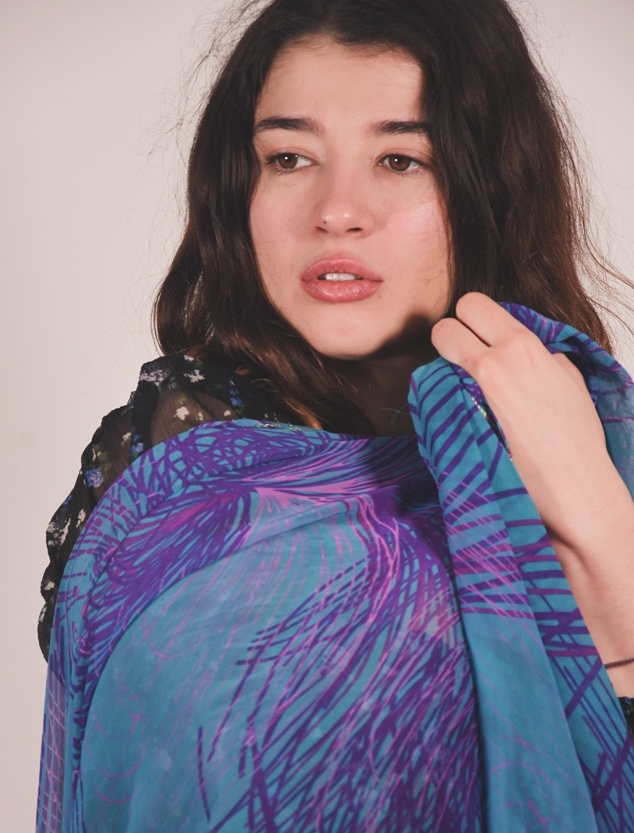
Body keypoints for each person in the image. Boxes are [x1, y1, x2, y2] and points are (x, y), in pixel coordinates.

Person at [36, 0, 634, 830]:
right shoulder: (175, 467)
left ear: (492, 186)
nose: (336, 210)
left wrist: (597, 518)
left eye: (400, 159)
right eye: (289, 158)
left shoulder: (592, 436)